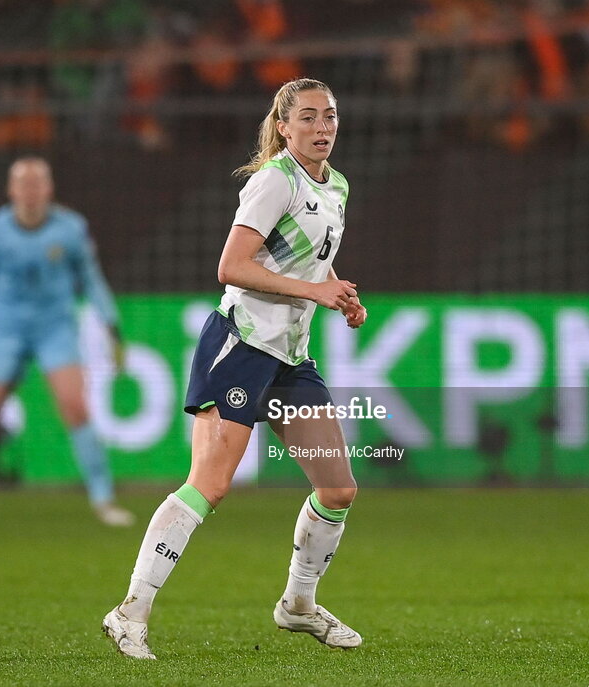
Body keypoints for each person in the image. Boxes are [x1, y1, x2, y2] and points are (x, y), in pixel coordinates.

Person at [101, 77, 367, 659]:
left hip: (289, 358)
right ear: (284, 126)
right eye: (309, 118)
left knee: (339, 487)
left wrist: (337, 293)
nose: (322, 127)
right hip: (242, 345)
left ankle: (298, 606)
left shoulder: (337, 186)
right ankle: (130, 612)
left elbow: (312, 262)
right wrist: (311, 290)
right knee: (211, 485)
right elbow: (231, 266)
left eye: (330, 116)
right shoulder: (275, 180)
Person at [0, 157, 134, 528]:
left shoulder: (71, 230)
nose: (29, 191)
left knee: (76, 407)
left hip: (55, 330)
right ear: (11, 190)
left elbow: (91, 281)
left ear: (49, 189)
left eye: (36, 184)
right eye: (22, 184)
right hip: (3, 331)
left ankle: (104, 500)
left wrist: (112, 327)